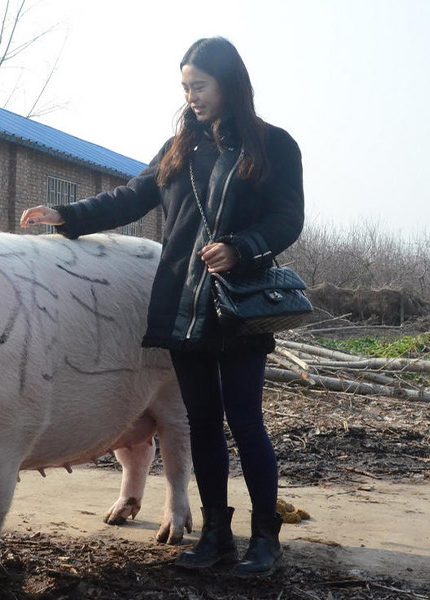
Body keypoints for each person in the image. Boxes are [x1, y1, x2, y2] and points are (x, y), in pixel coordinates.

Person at [20, 36, 303, 578]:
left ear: (229, 83)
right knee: (200, 422)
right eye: (185, 87)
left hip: (238, 306)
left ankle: (266, 540)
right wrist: (66, 215)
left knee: (246, 422)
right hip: (184, 305)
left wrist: (242, 247)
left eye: (199, 85)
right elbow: (131, 196)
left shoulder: (273, 146)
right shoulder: (182, 147)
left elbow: (288, 219)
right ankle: (217, 535)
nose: (191, 97)